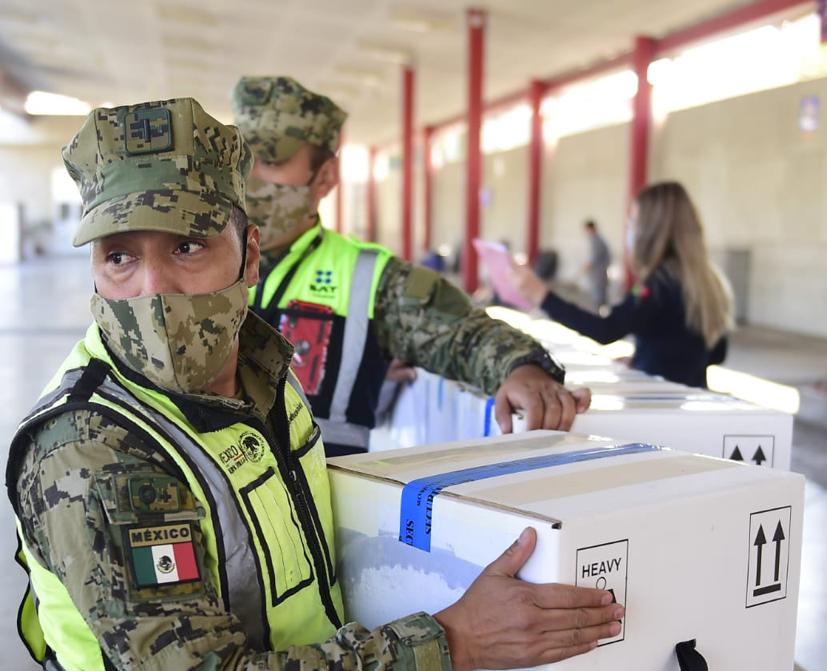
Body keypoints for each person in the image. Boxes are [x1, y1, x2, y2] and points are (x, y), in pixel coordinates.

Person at [5, 97, 624, 671]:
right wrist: (450, 640)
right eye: (119, 257)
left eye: (186, 247)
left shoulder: (261, 373)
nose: (154, 290)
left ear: (246, 250)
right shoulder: (97, 455)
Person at [231, 77, 590, 456]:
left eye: (269, 162)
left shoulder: (370, 278)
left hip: (318, 506)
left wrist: (522, 368)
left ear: (324, 178)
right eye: (242, 159)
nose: (249, 179)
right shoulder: (186, 254)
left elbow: (467, 335)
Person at [514, 184, 733, 388]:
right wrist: (644, 358)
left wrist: (543, 296)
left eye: (633, 222)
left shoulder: (657, 283)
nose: (629, 229)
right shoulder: (710, 282)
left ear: (651, 230)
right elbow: (716, 353)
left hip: (657, 398)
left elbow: (607, 329)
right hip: (692, 393)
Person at [582, 219, 611, 310]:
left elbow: (594, 258)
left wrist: (586, 267)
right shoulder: (598, 239)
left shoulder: (597, 240)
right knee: (600, 295)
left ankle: (600, 316)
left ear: (591, 229)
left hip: (599, 273)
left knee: (599, 297)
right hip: (599, 272)